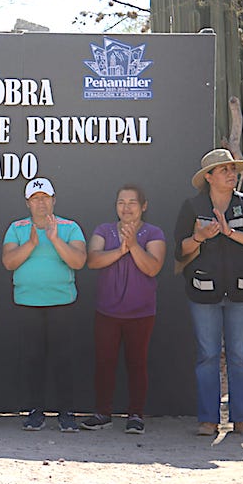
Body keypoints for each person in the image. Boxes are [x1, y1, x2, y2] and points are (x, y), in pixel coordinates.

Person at [174, 149, 243, 437]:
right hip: (203, 294)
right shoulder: (192, 206)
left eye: (233, 169)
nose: (232, 174)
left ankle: (242, 418)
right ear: (208, 177)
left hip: (242, 293)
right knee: (207, 355)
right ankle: (208, 420)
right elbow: (179, 251)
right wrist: (199, 237)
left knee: (240, 357)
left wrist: (230, 232)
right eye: (224, 170)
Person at [1, 177, 86, 432]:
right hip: (28, 303)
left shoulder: (69, 227)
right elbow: (8, 262)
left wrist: (55, 238)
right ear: (27, 203)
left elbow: (79, 261)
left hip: (62, 302)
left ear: (54, 200)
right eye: (36, 199)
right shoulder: (17, 228)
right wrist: (31, 244)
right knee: (32, 359)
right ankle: (35, 411)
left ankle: (66, 412)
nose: (41, 203)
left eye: (45, 198)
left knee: (64, 359)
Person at [82, 185, 165, 434]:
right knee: (104, 363)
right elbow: (93, 260)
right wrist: (120, 249)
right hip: (107, 311)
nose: (126, 208)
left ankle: (135, 415)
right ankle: (102, 413)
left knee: (137, 363)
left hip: (141, 312)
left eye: (131, 202)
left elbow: (152, 267)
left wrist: (133, 245)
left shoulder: (153, 233)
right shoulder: (103, 230)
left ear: (143, 206)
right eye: (121, 202)